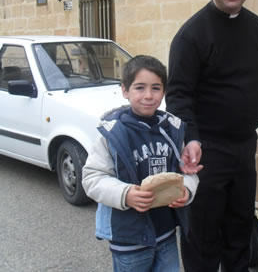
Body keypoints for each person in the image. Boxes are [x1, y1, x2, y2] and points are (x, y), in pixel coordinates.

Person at [166, 0, 258, 272]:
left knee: (240, 224)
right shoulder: (190, 35)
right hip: (206, 153)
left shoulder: (256, 26)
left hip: (244, 147)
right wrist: (191, 139)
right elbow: (178, 96)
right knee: (203, 232)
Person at [82, 55, 200, 272]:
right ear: (125, 90)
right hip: (129, 240)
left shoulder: (172, 131)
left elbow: (189, 172)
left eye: (156, 88)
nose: (148, 95)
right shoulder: (113, 134)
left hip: (166, 235)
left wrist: (187, 189)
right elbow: (92, 178)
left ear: (164, 91)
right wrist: (125, 194)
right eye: (139, 88)